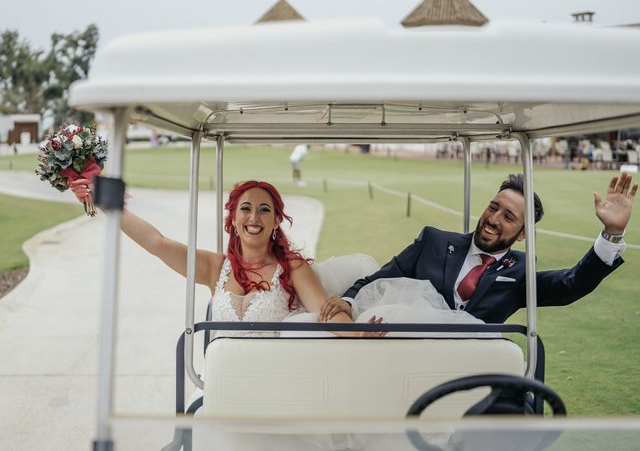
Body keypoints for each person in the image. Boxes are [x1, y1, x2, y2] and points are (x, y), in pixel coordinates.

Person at [320, 172, 637, 324]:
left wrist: (611, 232)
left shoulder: (520, 270)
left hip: (470, 373)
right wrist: (348, 302)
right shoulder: (433, 241)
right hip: (405, 356)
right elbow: (380, 278)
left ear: (523, 234)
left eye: (508, 216)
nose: (493, 219)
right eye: (493, 206)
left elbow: (570, 284)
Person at [70, 178, 372, 336]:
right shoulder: (214, 267)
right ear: (234, 219)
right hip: (225, 381)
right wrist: (106, 203)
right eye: (246, 208)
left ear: (277, 220)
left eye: (264, 209)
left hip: (275, 379)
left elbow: (326, 315)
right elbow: (156, 242)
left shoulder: (292, 268)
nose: (254, 217)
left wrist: (359, 333)